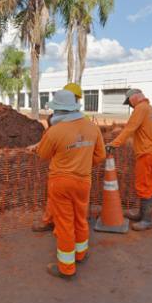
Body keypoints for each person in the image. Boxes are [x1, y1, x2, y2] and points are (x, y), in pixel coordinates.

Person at [37, 90, 106, 280]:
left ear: (57, 110)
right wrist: (82, 163)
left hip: (60, 182)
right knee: (80, 218)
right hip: (84, 181)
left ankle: (67, 268)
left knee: (65, 223)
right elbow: (100, 156)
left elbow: (42, 155)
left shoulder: (55, 131)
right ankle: (80, 254)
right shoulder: (92, 128)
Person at [30, 82, 85, 233]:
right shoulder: (79, 119)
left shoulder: (62, 119)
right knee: (67, 202)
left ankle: (56, 226)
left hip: (62, 168)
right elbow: (50, 136)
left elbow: (49, 143)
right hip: (79, 170)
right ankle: (56, 223)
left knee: (59, 200)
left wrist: (40, 148)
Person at [107, 89, 152, 231]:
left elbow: (129, 129)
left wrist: (114, 144)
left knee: (144, 185)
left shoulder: (140, 108)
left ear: (134, 98)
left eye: (129, 102)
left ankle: (147, 220)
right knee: (146, 184)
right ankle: (142, 215)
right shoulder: (150, 109)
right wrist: (150, 135)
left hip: (146, 153)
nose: (130, 105)